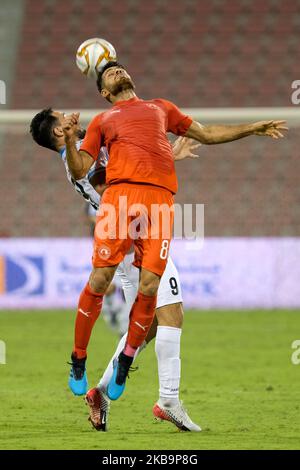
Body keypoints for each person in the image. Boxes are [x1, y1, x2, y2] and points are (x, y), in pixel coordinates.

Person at [62, 60, 287, 405]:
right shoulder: (103, 122)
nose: (117, 70)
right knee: (100, 279)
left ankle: (125, 361)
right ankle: (78, 360)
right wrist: (68, 142)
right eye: (109, 73)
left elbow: (207, 134)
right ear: (105, 93)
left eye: (119, 67)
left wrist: (251, 128)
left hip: (160, 202)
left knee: (150, 287)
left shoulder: (161, 108)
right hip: (120, 199)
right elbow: (80, 168)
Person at [30, 108, 202, 432]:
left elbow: (126, 173)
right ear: (57, 132)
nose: (70, 116)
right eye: (61, 116)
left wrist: (170, 158)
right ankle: (168, 400)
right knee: (172, 313)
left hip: (132, 236)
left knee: (150, 326)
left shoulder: (80, 156)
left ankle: (101, 394)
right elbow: (122, 180)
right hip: (134, 237)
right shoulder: (79, 159)